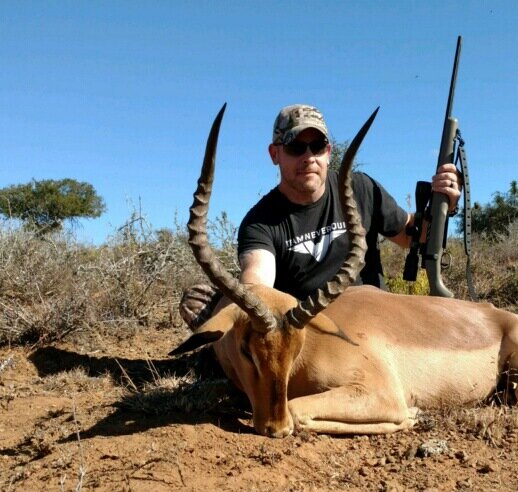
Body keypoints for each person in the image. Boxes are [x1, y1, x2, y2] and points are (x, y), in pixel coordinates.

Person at [181, 104, 460, 327]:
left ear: (328, 152)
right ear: (274, 154)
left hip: (377, 320)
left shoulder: (360, 188)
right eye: (295, 147)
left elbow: (412, 237)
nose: (308, 157)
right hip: (312, 330)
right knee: (200, 300)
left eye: (317, 146)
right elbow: (257, 280)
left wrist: (444, 205)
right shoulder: (260, 222)